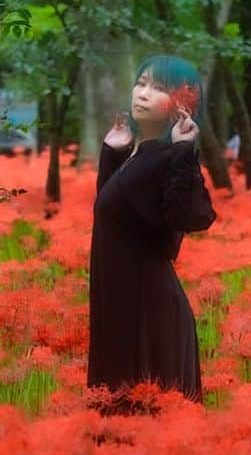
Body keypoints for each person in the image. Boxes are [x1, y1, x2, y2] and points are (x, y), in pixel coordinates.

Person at [88, 54, 216, 409]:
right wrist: (113, 155)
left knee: (148, 430)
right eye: (140, 83)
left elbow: (191, 217)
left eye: (158, 88)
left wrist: (183, 153)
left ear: (183, 103)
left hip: (148, 315)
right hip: (123, 310)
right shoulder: (140, 154)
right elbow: (116, 215)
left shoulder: (166, 157)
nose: (142, 93)